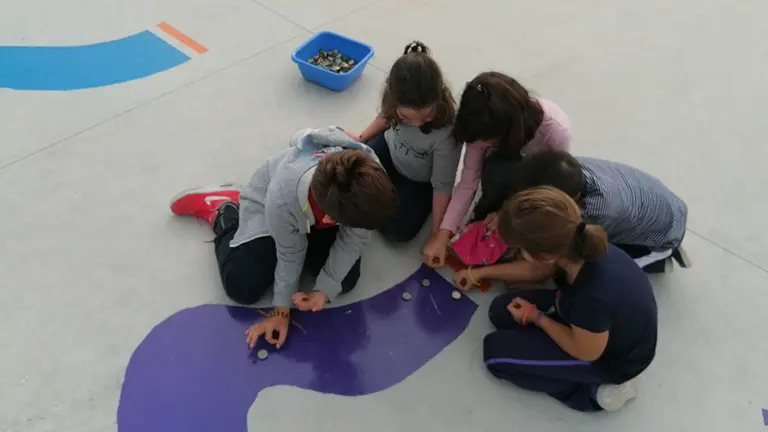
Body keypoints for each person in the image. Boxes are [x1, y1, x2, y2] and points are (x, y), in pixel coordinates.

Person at [170, 126, 397, 349]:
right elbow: (290, 255)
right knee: (242, 286)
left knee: (343, 282)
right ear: (331, 220)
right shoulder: (283, 198)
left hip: (317, 211)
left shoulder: (372, 175)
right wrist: (280, 310)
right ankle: (225, 210)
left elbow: (354, 239)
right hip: (273, 205)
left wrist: (323, 291)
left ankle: (314, 246)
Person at [482, 186, 658, 412]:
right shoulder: (578, 245)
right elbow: (536, 272)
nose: (517, 254)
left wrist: (537, 317)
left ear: (543, 255)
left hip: (610, 360)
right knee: (500, 309)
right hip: (594, 323)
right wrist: (477, 274)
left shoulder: (590, 299)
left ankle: (594, 394)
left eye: (520, 250)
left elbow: (586, 351)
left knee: (495, 355)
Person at [421, 71, 571, 267]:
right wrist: (442, 235)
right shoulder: (481, 127)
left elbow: (552, 189)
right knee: (496, 172)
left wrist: (506, 213)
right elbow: (468, 182)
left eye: (488, 140)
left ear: (509, 129)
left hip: (538, 182)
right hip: (506, 165)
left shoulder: (556, 131)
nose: (480, 144)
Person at [466, 151, 689, 282]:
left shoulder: (598, 213)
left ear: (567, 201)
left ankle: (659, 260)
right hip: (653, 202)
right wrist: (505, 213)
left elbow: (544, 266)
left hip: (662, 233)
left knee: (580, 275)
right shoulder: (565, 171)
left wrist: (482, 273)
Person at [346, 41, 460, 242]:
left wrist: (436, 235)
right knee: (347, 175)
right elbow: (385, 116)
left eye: (427, 117)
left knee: (398, 231)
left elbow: (442, 186)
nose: (417, 124)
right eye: (407, 119)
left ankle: (378, 200)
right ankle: (377, 197)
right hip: (388, 151)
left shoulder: (447, 132)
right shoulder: (393, 101)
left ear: (439, 99)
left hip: (419, 181)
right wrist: (361, 138)